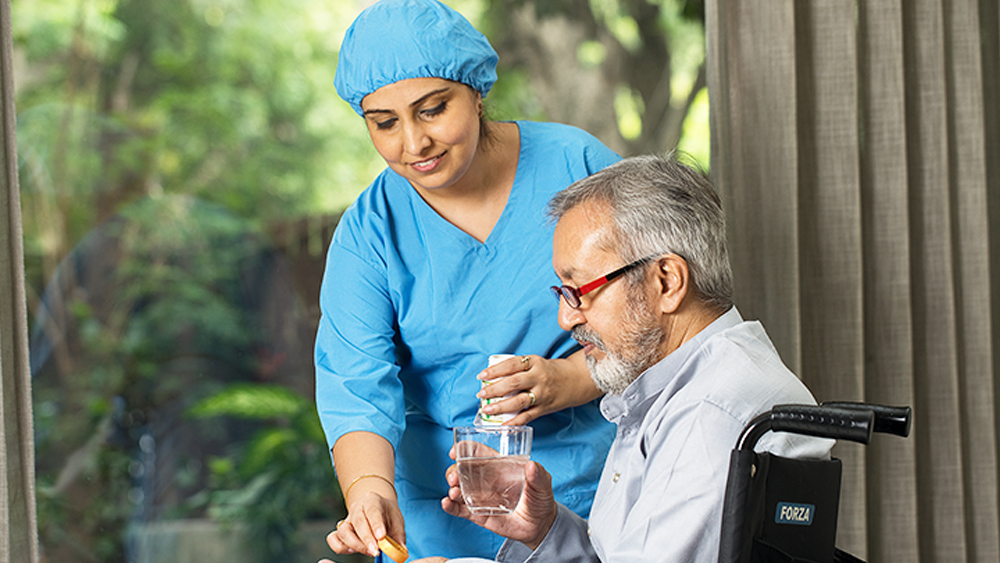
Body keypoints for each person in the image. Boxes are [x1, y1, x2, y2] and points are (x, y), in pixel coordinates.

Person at [315, 0, 620, 560]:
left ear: (476, 91)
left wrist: (568, 381)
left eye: (432, 110)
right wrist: (368, 492)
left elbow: (656, 322)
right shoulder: (370, 231)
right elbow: (355, 386)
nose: (413, 144)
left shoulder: (577, 166)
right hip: (437, 517)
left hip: (586, 496)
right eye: (384, 123)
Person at [419, 154, 834, 562]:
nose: (565, 319)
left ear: (666, 281)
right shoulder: (689, 385)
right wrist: (546, 529)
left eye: (578, 290)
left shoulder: (711, 413)